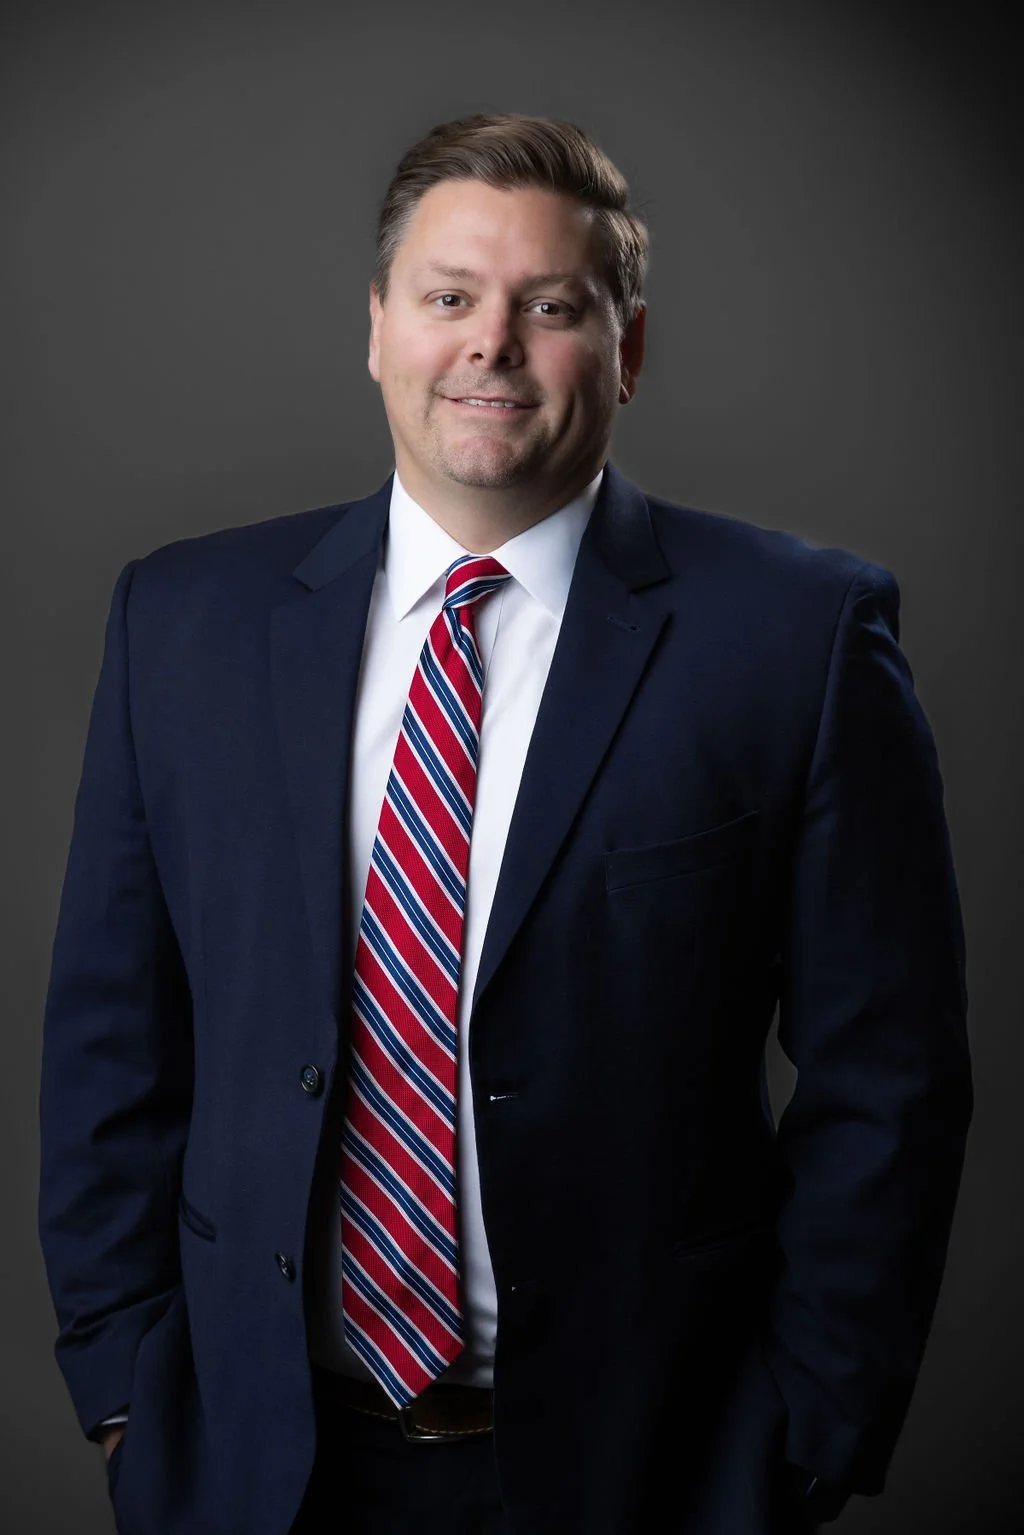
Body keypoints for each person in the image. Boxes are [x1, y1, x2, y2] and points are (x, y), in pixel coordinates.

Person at [38, 112, 972, 1535]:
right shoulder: (181, 623)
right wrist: (123, 1389)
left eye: (552, 306)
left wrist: (801, 1433)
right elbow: (111, 1041)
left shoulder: (797, 638)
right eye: (450, 297)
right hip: (248, 1459)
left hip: (652, 1466)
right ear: (377, 328)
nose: (492, 344)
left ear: (628, 350)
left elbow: (891, 1072)